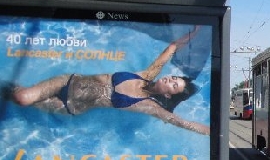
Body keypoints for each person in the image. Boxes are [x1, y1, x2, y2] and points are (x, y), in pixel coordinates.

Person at [7, 27, 210, 135]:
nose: (170, 79)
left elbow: (181, 122)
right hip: (67, 82)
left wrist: (214, 132)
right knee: (23, 97)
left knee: (16, 97)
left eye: (173, 85)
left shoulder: (148, 105)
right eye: (174, 78)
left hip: (71, 106)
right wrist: (193, 34)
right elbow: (172, 48)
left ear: (167, 94)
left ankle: (4, 89)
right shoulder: (147, 74)